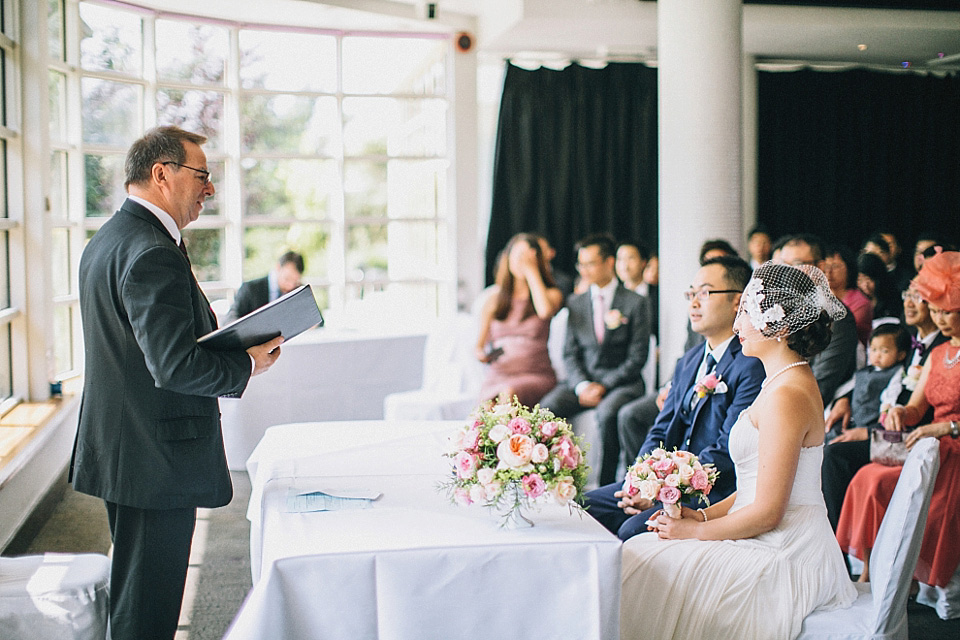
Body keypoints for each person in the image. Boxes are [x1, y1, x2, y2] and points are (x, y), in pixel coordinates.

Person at [70, 126, 284, 640]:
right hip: (153, 456)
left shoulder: (110, 239)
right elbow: (172, 366)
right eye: (202, 175)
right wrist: (246, 365)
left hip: (127, 446)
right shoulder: (152, 251)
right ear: (162, 174)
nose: (210, 190)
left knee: (137, 593)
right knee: (148, 606)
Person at [619, 261, 855, 640]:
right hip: (768, 531)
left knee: (644, 560)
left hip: (786, 549)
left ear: (777, 327)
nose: (736, 324)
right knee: (641, 552)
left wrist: (692, 534)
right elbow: (752, 486)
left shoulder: (788, 395)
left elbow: (768, 512)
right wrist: (702, 518)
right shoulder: (780, 382)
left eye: (745, 311)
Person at [590, 255, 765, 540]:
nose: (694, 303)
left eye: (705, 293)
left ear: (738, 301)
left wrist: (662, 491)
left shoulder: (750, 364)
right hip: (665, 483)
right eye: (691, 294)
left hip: (712, 490)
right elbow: (661, 427)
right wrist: (641, 480)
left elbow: (726, 450)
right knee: (582, 508)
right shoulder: (689, 360)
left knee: (632, 530)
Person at [836, 251, 960, 586]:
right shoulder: (937, 354)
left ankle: (894, 576)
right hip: (930, 447)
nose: (941, 319)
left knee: (885, 484)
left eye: (947, 312)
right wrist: (899, 411)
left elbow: (935, 421)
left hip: (953, 451)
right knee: (867, 477)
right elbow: (916, 409)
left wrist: (948, 427)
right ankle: (869, 569)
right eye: (935, 311)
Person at [821, 281, 947, 531]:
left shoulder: (942, 347)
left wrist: (869, 433)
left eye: (919, 296)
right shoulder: (912, 341)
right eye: (908, 294)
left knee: (835, 455)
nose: (909, 303)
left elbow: (929, 410)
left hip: (914, 436)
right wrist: (845, 399)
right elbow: (872, 376)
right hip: (890, 427)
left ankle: (837, 544)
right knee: (825, 442)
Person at [539, 233, 651, 486]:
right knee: (546, 409)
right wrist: (581, 385)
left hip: (622, 383)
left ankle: (606, 486)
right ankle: (552, 481)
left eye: (590, 264)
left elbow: (638, 357)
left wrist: (604, 385)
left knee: (607, 414)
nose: (584, 270)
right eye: (581, 264)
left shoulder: (636, 302)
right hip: (583, 381)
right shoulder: (576, 303)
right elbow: (570, 353)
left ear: (608, 262)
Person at [475, 233, 563, 407]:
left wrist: (531, 271)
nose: (521, 261)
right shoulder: (493, 299)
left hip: (534, 375)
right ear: (508, 259)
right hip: (498, 375)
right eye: (518, 255)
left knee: (508, 394)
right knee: (484, 412)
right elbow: (479, 345)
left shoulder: (552, 294)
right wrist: (482, 354)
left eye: (526, 256)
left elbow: (545, 311)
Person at [777, 234, 859, 405]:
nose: (788, 273)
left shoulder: (837, 316)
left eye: (797, 264)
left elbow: (821, 384)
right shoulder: (776, 311)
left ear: (820, 267)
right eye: (784, 265)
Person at [227, 251, 304, 321]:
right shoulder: (250, 289)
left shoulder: (298, 290)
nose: (290, 285)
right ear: (278, 267)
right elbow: (231, 319)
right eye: (287, 279)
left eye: (295, 282)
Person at [823, 244, 873, 346]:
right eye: (825, 266)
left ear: (849, 269)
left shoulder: (861, 303)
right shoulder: (820, 297)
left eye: (835, 266)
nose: (828, 272)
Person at [857, 251, 901, 321]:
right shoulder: (854, 301)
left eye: (869, 280)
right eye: (860, 280)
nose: (865, 285)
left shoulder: (892, 298)